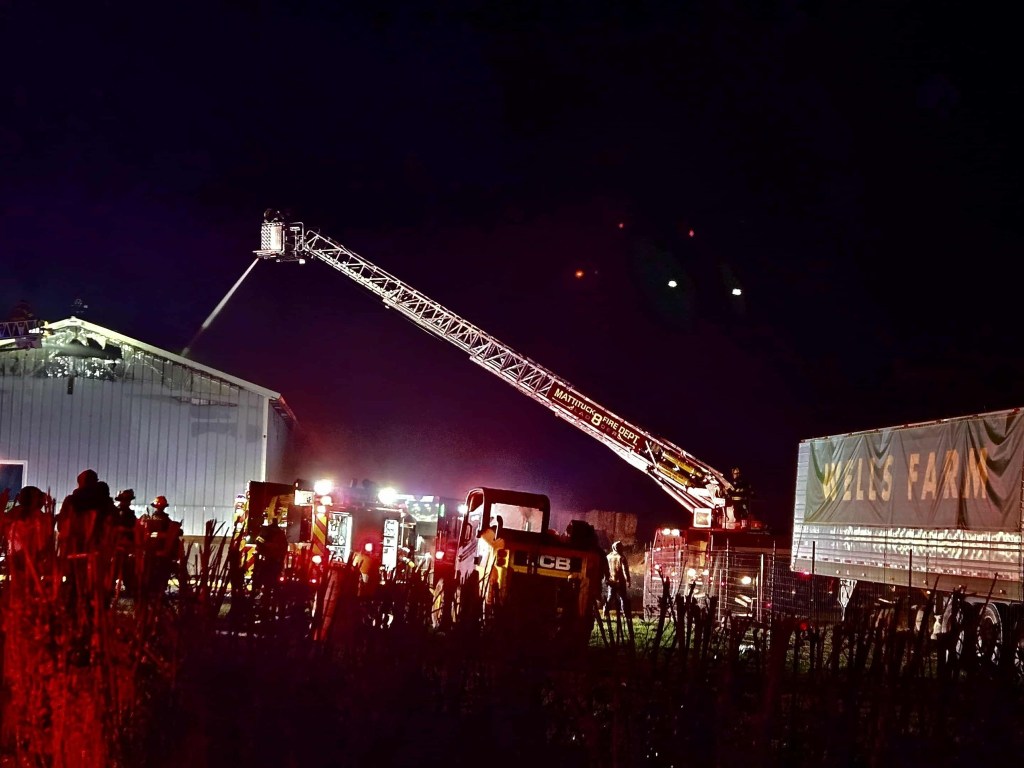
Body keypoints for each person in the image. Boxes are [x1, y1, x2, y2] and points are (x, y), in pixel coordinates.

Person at [603, 541, 632, 619]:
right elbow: (625, 569)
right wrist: (628, 580)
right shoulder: (621, 557)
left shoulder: (608, 557)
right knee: (623, 598)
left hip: (611, 581)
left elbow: (605, 569)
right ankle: (626, 614)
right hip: (620, 581)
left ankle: (605, 612)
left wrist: (606, 579)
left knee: (610, 597)